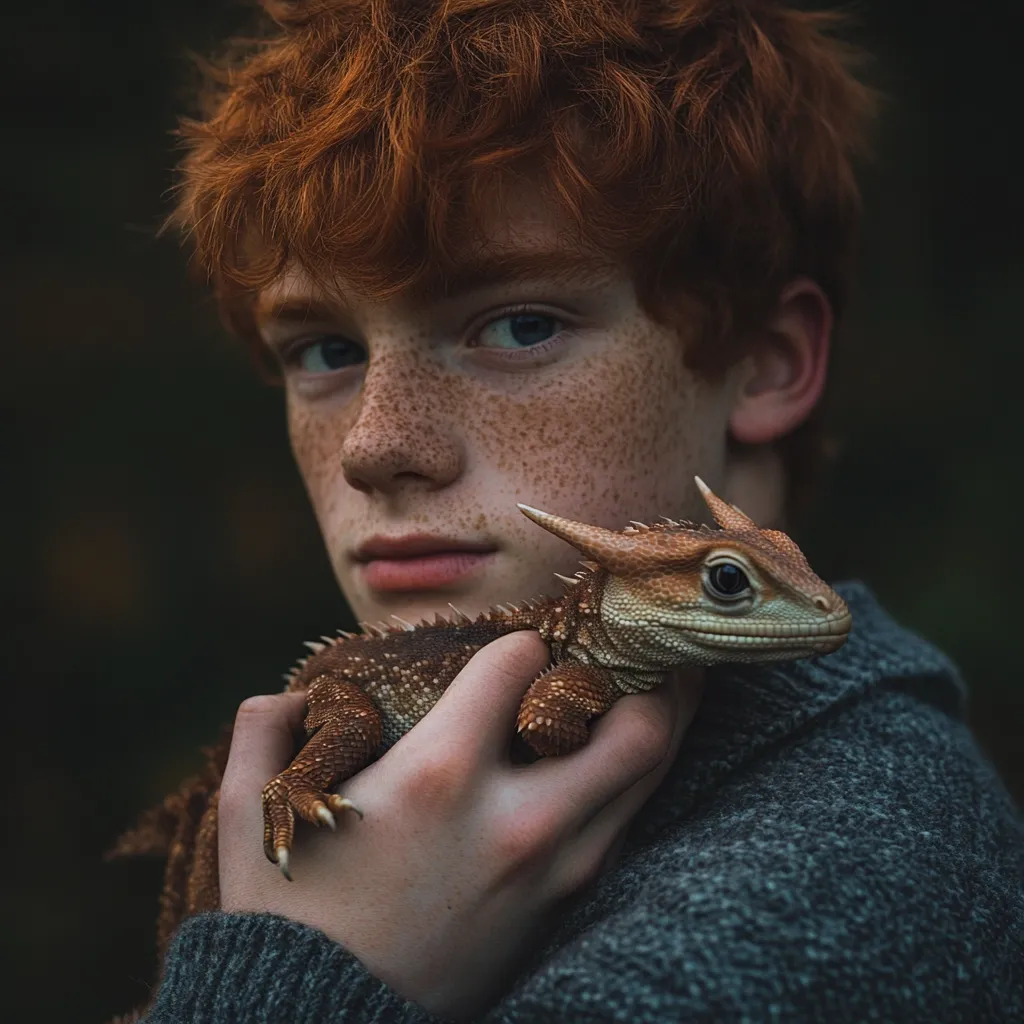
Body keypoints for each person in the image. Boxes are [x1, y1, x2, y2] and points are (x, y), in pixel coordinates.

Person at [137, 1, 1024, 1020]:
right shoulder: (408, 776)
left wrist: (292, 977)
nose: (375, 446)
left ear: (766, 362)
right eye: (324, 351)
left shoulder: (827, 891)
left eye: (518, 324)